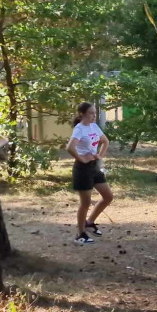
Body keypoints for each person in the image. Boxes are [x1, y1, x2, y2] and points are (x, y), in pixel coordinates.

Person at [66, 102, 113, 245]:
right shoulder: (79, 129)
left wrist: (99, 156)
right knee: (85, 203)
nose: (94, 116)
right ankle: (80, 234)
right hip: (82, 169)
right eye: (91, 113)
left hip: (94, 167)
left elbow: (105, 141)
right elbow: (70, 147)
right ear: (82, 114)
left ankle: (90, 222)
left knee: (108, 196)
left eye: (95, 113)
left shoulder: (94, 126)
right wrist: (81, 158)